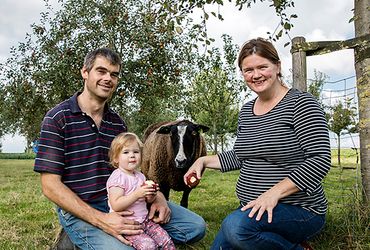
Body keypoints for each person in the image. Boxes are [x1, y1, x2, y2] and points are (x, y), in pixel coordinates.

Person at [34, 47, 205, 249]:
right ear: (85, 72)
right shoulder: (57, 118)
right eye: (101, 71)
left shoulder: (117, 123)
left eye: (114, 74)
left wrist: (157, 196)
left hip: (124, 200)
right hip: (81, 207)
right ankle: (78, 235)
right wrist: (102, 220)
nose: (108, 78)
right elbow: (50, 186)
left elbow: (131, 169)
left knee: (195, 227)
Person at [184, 38, 331, 250]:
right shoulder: (246, 111)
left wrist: (274, 193)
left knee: (236, 228)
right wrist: (203, 161)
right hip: (252, 207)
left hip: (299, 208)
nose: (256, 75)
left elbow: (319, 160)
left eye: (263, 67)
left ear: (277, 66)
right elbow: (241, 154)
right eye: (248, 70)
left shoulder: (301, 104)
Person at [107, 132, 176, 249]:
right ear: (116, 158)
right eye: (126, 152)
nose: (132, 155)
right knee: (148, 246)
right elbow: (116, 205)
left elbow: (147, 201)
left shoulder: (140, 176)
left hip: (145, 221)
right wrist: (137, 194)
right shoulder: (117, 178)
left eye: (136, 152)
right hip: (127, 225)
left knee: (165, 239)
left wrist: (151, 194)